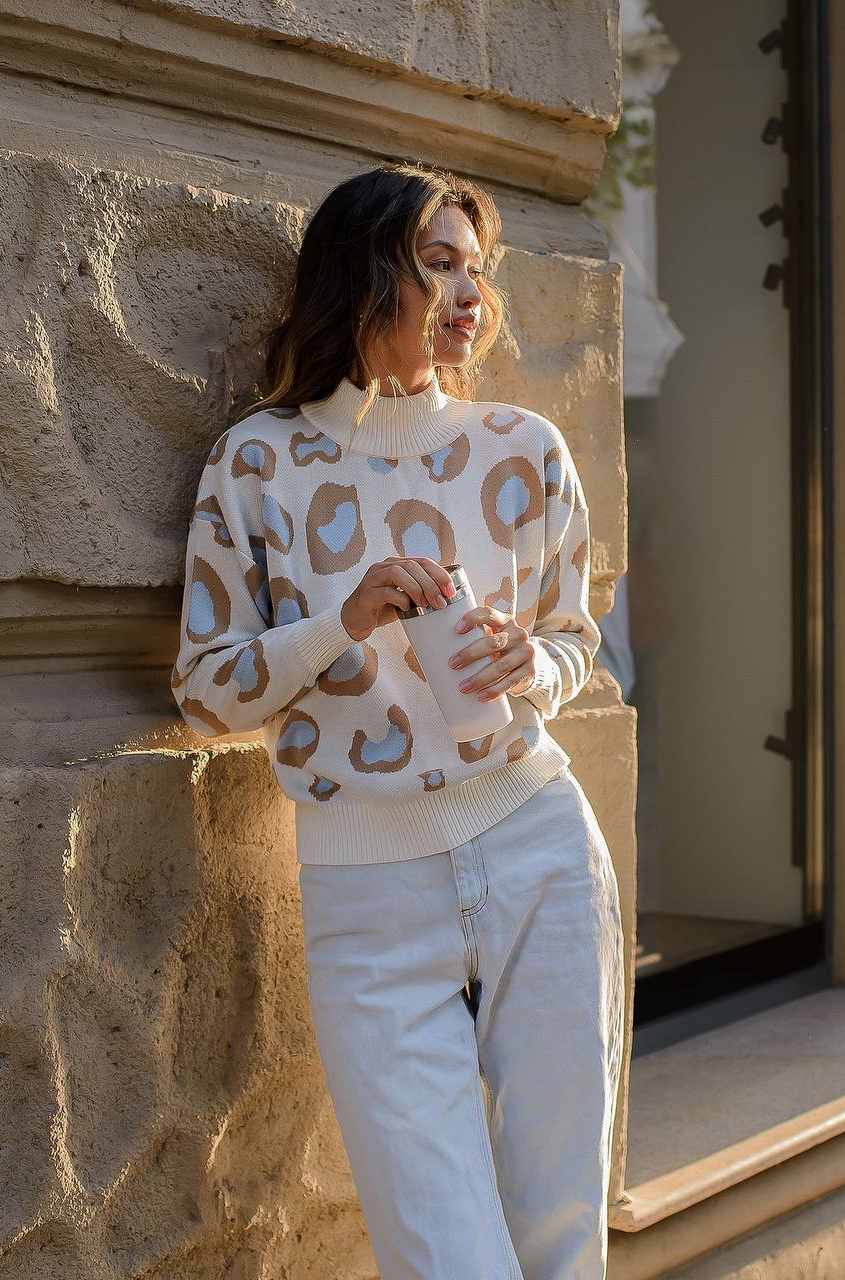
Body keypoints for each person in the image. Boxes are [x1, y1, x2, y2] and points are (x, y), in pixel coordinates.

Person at [170, 160, 626, 1280]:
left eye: (477, 267)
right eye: (437, 263)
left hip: (538, 847)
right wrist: (344, 618)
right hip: (366, 892)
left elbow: (576, 634)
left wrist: (538, 662)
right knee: (448, 1252)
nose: (469, 292)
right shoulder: (257, 462)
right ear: (362, 273)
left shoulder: (522, 449)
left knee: (563, 1231)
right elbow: (203, 688)